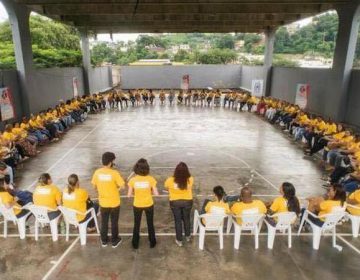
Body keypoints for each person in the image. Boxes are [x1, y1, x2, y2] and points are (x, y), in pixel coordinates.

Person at [91, 152, 125, 248]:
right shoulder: (114, 173)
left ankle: (104, 241)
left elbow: (94, 186)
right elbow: (122, 186)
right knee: (114, 222)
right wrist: (116, 188)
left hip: (103, 202)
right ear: (111, 162)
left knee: (104, 222)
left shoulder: (97, 173)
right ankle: (114, 240)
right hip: (114, 202)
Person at [128, 158, 158, 249]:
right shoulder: (151, 179)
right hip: (149, 204)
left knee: (137, 224)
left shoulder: (133, 180)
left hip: (137, 205)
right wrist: (150, 192)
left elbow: (129, 195)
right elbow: (156, 194)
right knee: (150, 223)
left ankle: (135, 243)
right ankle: (152, 242)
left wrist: (135, 192)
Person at [165, 162, 194, 247]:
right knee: (186, 218)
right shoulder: (190, 179)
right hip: (187, 201)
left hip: (175, 202)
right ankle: (188, 236)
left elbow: (166, 186)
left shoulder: (170, 180)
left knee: (177, 221)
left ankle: (179, 240)